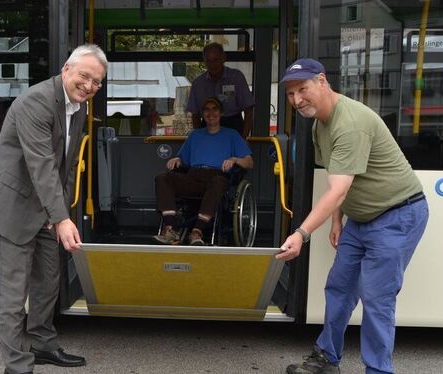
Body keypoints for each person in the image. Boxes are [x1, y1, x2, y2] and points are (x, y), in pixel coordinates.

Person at [277, 58, 428, 374]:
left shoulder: (350, 123)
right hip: (361, 219)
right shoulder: (320, 124)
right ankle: (326, 358)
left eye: (302, 89)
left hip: (397, 214)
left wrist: (301, 233)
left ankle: (378, 370)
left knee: (377, 297)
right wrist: (336, 221)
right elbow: (340, 178)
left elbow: (338, 191)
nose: (296, 100)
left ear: (322, 81)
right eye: (291, 94)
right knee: (339, 287)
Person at [0, 44, 107, 374]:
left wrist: (60, 213)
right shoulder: (37, 101)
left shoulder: (77, 106)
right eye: (84, 76)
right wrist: (61, 218)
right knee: (13, 292)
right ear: (66, 69)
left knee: (48, 279)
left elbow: (68, 164)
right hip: (13, 205)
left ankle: (43, 345)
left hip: (44, 207)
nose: (89, 86)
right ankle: (17, 365)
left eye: (97, 82)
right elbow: (41, 165)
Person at [154, 97, 253, 246]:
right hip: (193, 177)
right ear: (202, 114)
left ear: (221, 113)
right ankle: (170, 229)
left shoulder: (231, 134)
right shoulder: (195, 135)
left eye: (215, 109)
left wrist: (234, 159)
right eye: (207, 109)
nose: (211, 113)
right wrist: (177, 160)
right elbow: (183, 159)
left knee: (219, 182)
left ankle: (197, 232)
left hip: (216, 177)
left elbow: (249, 162)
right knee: (163, 177)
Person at [186, 42, 254, 138]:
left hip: (233, 125)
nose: (212, 64)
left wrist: (243, 138)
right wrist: (200, 138)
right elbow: (195, 115)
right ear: (204, 62)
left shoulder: (236, 77)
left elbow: (248, 110)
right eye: (209, 61)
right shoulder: (198, 83)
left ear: (223, 58)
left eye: (215, 60)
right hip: (207, 128)